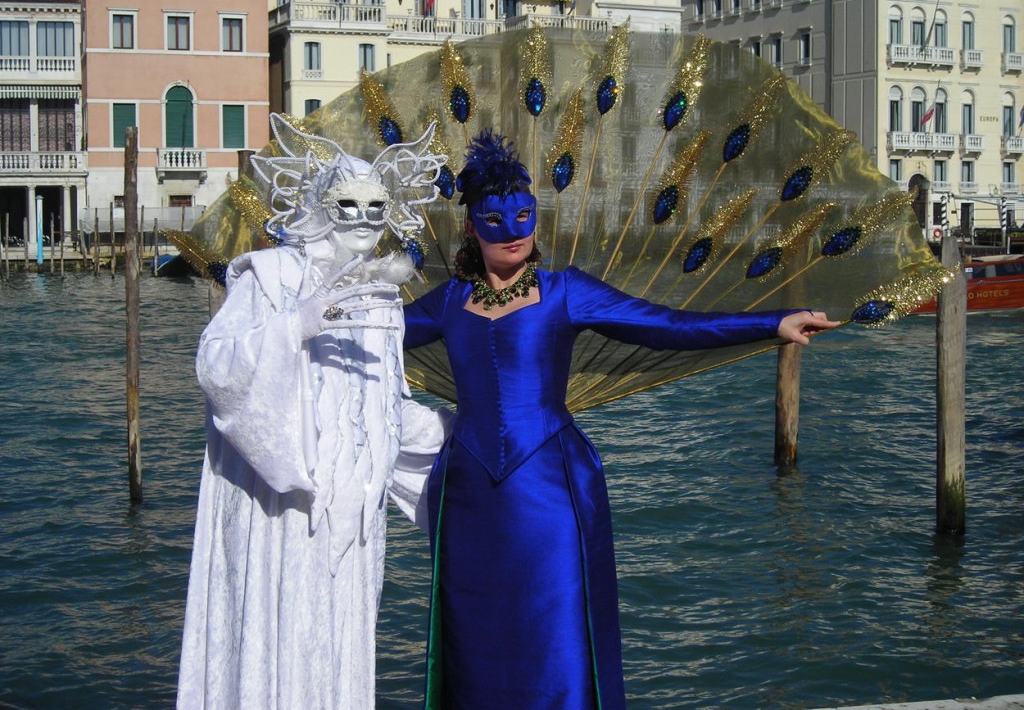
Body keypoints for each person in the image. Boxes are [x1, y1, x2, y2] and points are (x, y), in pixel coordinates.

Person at [402, 131, 839, 710]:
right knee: (471, 629)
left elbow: (672, 326)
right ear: (470, 227)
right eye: (494, 219)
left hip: (551, 488)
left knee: (556, 623)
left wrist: (773, 322)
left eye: (524, 217)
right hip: (469, 494)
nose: (513, 232)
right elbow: (367, 331)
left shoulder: (565, 292)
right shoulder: (448, 300)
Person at [177, 115, 448, 710]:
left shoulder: (382, 297)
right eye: (348, 203)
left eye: (377, 205)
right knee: (278, 644)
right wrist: (292, 329)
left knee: (337, 650)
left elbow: (381, 409)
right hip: (281, 516)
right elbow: (217, 366)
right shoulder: (272, 276)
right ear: (322, 205)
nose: (364, 217)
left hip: (349, 525)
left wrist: (470, 436)